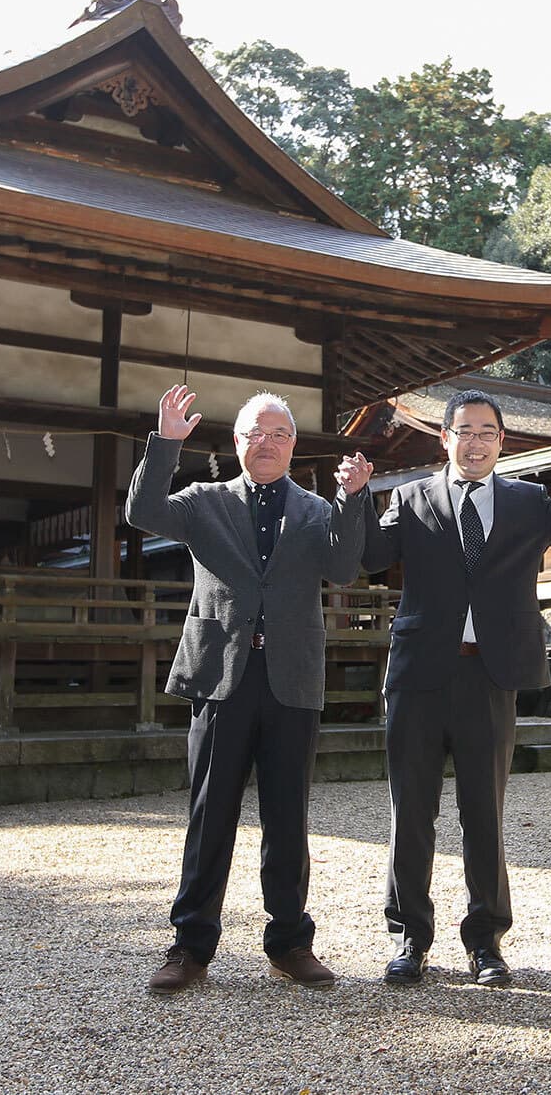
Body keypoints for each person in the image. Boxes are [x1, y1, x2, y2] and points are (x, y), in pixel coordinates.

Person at [362, 389, 551, 987]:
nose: (476, 441)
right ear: (445, 438)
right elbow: (369, 553)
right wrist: (354, 497)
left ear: (501, 441)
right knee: (411, 810)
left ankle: (485, 940)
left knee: (482, 811)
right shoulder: (410, 498)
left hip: (490, 673)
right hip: (418, 674)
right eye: (465, 430)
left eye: (488, 431)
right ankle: (411, 936)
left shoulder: (526, 501)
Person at [125, 384, 372, 995]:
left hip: (291, 677)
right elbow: (142, 513)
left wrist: (352, 500)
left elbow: (344, 567)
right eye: (254, 434)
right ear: (236, 443)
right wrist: (165, 445)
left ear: (293, 446)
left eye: (279, 434)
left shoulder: (316, 510)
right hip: (221, 676)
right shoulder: (205, 500)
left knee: (288, 817)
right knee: (210, 815)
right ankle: (189, 945)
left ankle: (290, 942)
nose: (266, 443)